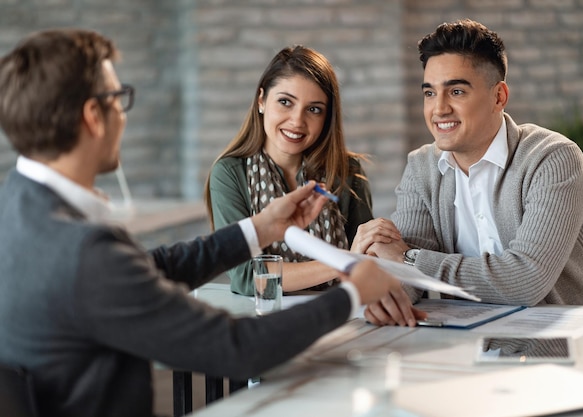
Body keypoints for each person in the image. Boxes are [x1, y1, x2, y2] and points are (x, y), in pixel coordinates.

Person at [0, 29, 423, 417]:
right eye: (119, 98)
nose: (122, 115)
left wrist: (260, 229)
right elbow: (235, 349)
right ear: (94, 115)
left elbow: (148, 267)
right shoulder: (85, 252)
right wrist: (350, 292)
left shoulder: (18, 204)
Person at [353, 19, 583, 326]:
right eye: (429, 93)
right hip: (477, 334)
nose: (439, 109)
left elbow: (526, 280)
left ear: (499, 97)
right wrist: (383, 286)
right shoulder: (422, 167)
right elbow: (409, 277)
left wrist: (407, 258)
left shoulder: (552, 158)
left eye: (456, 91)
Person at [206, 45, 374, 296]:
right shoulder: (230, 173)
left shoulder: (346, 170)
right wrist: (344, 261)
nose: (297, 121)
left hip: (340, 315)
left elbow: (367, 265)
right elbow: (248, 278)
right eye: (285, 102)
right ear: (261, 100)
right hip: (266, 320)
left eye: (314, 109)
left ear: (327, 118)